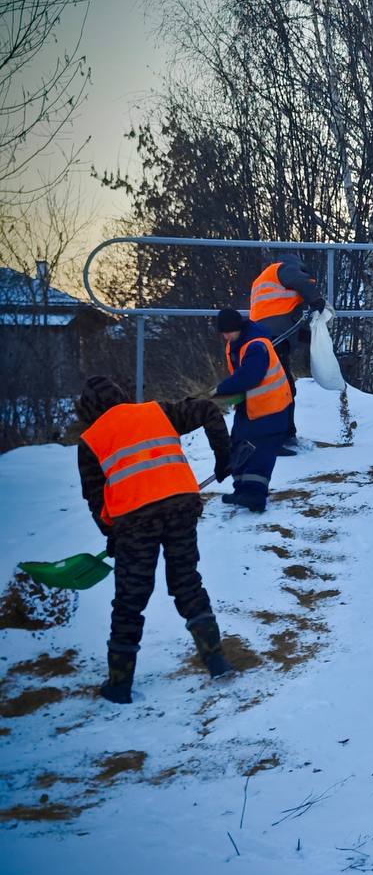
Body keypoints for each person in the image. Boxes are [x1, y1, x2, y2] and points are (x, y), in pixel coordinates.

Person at [75, 376, 235, 704]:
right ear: (121, 395)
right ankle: (216, 660)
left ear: (87, 410)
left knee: (130, 601)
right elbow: (208, 410)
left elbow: (97, 500)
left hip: (134, 523)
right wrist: (224, 458)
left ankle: (119, 685)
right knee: (186, 582)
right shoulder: (156, 411)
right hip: (181, 507)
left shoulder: (89, 441)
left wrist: (112, 533)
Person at [215, 307, 294, 513]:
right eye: (223, 333)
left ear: (238, 328)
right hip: (252, 406)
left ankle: (255, 496)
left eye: (228, 332)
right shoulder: (238, 342)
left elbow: (250, 376)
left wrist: (221, 389)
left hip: (272, 407)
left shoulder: (256, 346)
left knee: (260, 450)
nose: (225, 336)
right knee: (239, 443)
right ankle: (242, 490)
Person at [247, 253, 326, 454]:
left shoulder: (268, 283)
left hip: (266, 337)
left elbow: (281, 318)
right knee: (279, 390)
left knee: (285, 388)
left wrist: (310, 337)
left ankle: (287, 434)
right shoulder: (284, 269)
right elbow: (300, 282)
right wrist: (316, 300)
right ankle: (274, 439)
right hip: (272, 339)